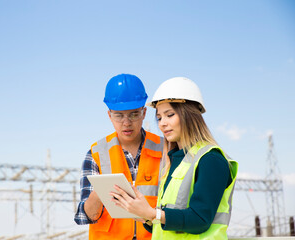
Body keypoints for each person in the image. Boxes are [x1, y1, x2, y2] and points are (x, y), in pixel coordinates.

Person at [110, 77, 238, 239]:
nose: (162, 123)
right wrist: (146, 216)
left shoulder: (211, 159)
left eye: (169, 115)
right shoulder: (173, 162)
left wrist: (153, 213)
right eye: (159, 117)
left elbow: (200, 220)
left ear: (190, 115)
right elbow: (172, 222)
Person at [74, 73, 164, 240]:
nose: (127, 122)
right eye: (119, 115)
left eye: (134, 114)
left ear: (144, 113)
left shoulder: (165, 148)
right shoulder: (96, 153)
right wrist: (101, 191)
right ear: (110, 115)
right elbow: (85, 216)